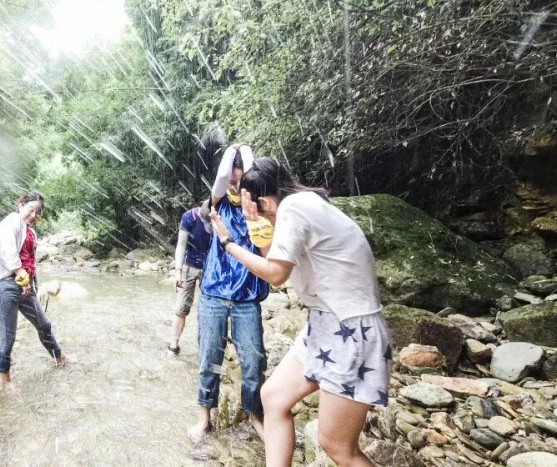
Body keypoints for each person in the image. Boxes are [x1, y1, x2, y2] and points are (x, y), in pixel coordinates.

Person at [209, 157, 390, 467]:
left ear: (265, 201)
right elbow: (276, 263)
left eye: (258, 208)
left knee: (337, 446)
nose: (261, 215)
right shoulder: (305, 202)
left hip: (350, 329)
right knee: (273, 397)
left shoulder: (293, 209)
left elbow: (275, 275)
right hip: (327, 323)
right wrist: (255, 225)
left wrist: (227, 243)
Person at [188, 143, 268, 443]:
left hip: (247, 296)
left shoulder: (257, 207)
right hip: (214, 292)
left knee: (254, 361)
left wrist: (245, 157)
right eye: (232, 176)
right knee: (210, 357)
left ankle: (254, 413)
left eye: (240, 176)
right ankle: (204, 417)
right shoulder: (218, 202)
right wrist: (235, 150)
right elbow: (222, 178)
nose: (235, 181)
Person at [0, 191, 66, 392]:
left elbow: (30, 261)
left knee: (44, 324)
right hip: (6, 285)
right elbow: (7, 250)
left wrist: (30, 284)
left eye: (37, 212)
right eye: (31, 210)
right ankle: (5, 382)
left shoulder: (30, 231)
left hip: (25, 286)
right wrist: (21, 276)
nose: (33, 215)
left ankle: (59, 358)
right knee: (8, 337)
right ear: (21, 204)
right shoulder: (11, 221)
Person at [167, 199, 212, 356]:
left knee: (211, 310)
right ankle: (174, 346)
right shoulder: (189, 217)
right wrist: (178, 271)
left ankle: (207, 348)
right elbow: (181, 245)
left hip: (210, 269)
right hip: (188, 266)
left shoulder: (217, 217)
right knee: (181, 308)